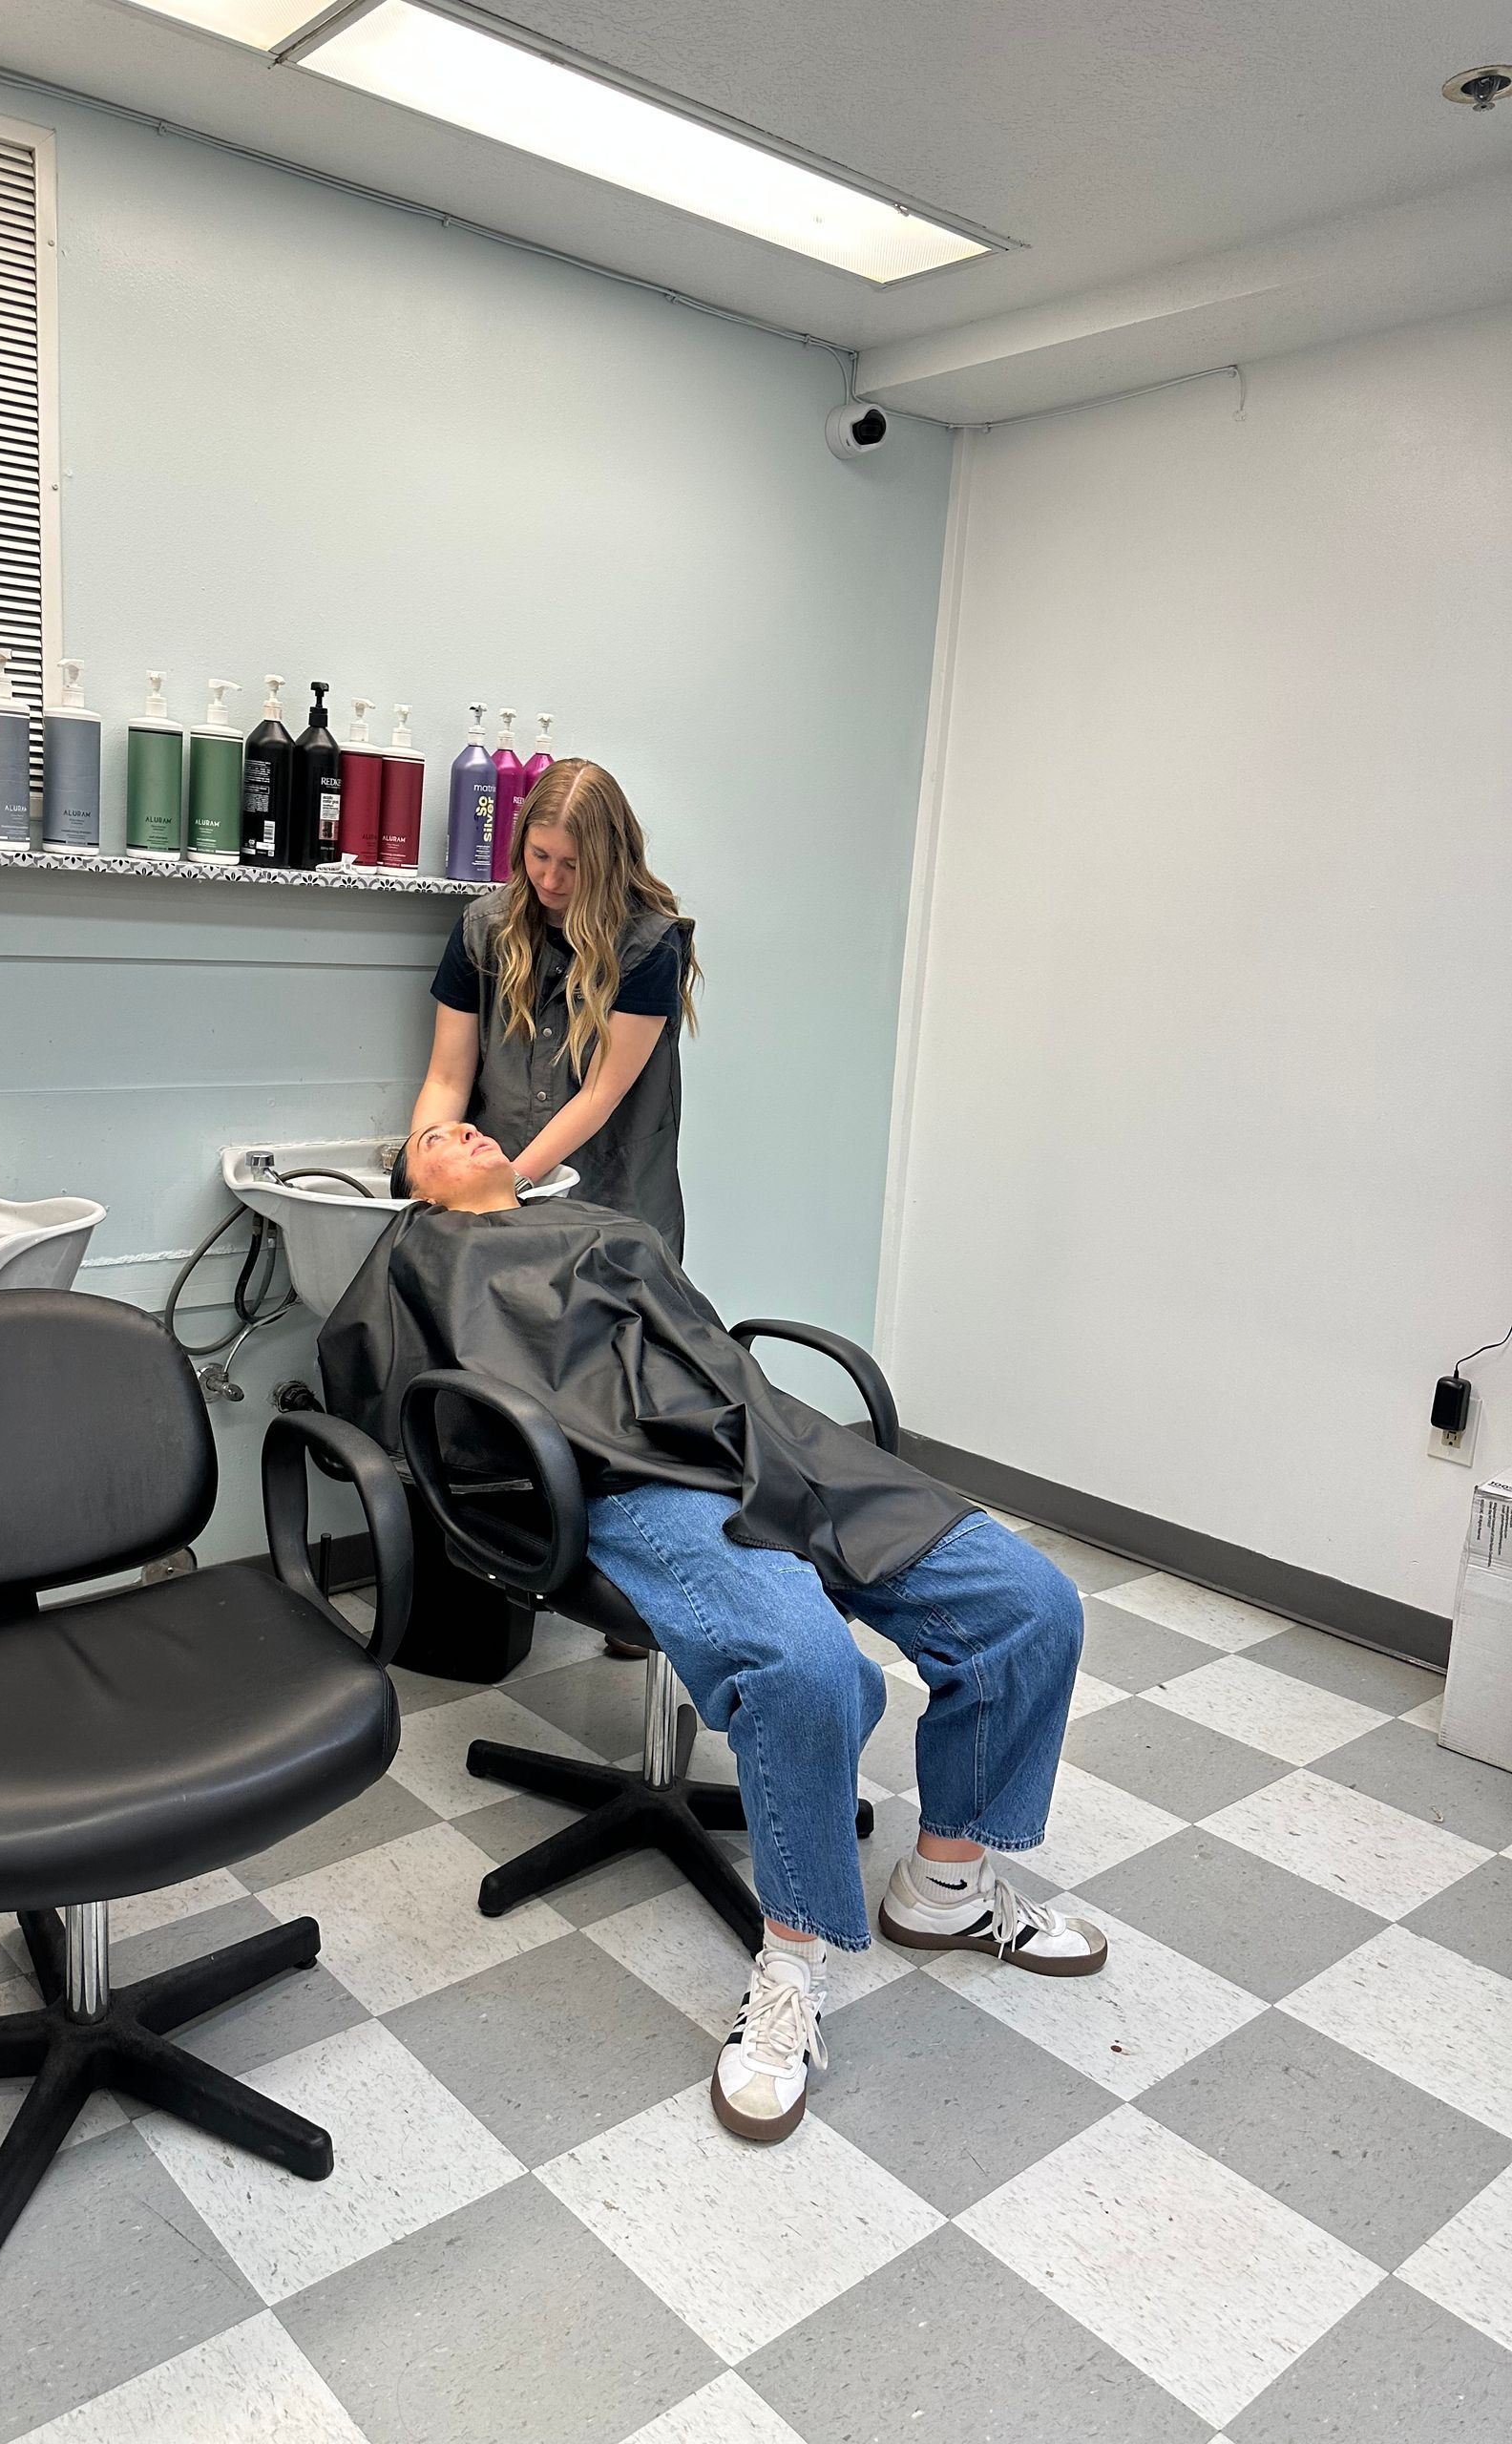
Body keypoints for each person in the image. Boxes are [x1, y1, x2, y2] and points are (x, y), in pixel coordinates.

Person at [324, 1124, 1107, 2150]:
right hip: (633, 1474)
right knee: (809, 1663)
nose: (463, 1128)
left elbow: (702, 1343)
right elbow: (401, 1411)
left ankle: (948, 1887)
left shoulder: (604, 1221)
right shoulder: (418, 1263)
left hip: (771, 1437)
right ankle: (791, 1961)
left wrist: (758, 1428)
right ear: (411, 1189)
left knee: (1033, 1604)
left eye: (471, 1123)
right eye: (433, 1138)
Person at [410, 760, 699, 1258]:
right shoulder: (484, 928)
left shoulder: (650, 945)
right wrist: (426, 1180)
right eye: (539, 854)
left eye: (573, 864)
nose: (549, 877)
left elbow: (597, 1097)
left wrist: (508, 1191)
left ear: (611, 860)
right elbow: (447, 1079)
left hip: (611, 1204)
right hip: (490, 1197)